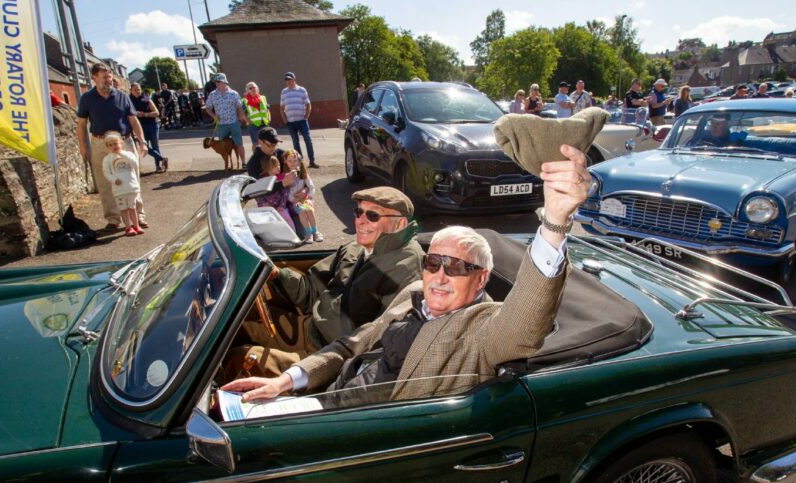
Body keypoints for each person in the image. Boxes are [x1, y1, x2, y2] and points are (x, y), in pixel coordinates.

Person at [221, 142, 590, 403]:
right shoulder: (412, 292)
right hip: (326, 393)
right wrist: (287, 381)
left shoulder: (481, 331)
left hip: (361, 433)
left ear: (481, 280)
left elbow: (525, 320)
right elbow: (351, 345)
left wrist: (556, 221)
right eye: (434, 262)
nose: (440, 275)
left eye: (458, 267)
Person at [229, 187, 425, 379]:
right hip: (311, 327)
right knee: (235, 326)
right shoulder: (355, 248)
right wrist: (277, 274)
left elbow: (376, 340)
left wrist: (324, 368)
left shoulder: (407, 267)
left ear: (399, 224)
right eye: (359, 212)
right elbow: (312, 290)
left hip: (332, 355)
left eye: (373, 215)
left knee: (238, 359)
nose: (360, 220)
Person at [76, 62, 149, 230]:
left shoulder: (122, 96)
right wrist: (83, 145)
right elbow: (81, 124)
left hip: (123, 141)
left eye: (109, 78)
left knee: (131, 179)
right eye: (104, 78)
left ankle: (139, 216)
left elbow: (133, 120)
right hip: (101, 143)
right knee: (104, 182)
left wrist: (142, 141)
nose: (108, 81)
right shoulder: (87, 98)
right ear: (94, 78)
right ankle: (113, 219)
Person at [102, 132, 143, 237]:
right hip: (119, 189)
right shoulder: (107, 159)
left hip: (131, 187)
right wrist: (114, 179)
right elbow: (106, 172)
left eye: (115, 143)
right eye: (110, 145)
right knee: (123, 209)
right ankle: (128, 227)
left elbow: (135, 164)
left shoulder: (128, 155)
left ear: (121, 143)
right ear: (107, 147)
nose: (113, 146)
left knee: (132, 208)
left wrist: (123, 154)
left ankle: (136, 225)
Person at [204, 73, 248, 168]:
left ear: (224, 82)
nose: (217, 83)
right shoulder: (213, 95)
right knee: (223, 146)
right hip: (221, 125)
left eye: (218, 81)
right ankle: (227, 165)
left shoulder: (233, 94)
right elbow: (207, 108)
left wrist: (241, 117)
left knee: (239, 143)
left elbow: (240, 106)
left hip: (234, 123)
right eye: (216, 82)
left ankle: (244, 163)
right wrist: (214, 116)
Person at [280, 71, 319, 168]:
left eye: (289, 79)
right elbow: (281, 107)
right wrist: (284, 119)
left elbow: (308, 104)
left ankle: (312, 161)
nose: (288, 81)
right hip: (291, 122)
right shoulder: (284, 92)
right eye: (286, 80)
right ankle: (300, 163)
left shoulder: (301, 90)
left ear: (294, 79)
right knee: (295, 142)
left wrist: (306, 116)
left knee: (308, 140)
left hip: (302, 121)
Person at [284, 149, 323, 243]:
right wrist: (292, 199)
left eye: (295, 160)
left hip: (305, 198)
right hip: (295, 201)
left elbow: (311, 187)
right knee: (301, 211)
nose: (292, 163)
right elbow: (286, 191)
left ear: (299, 161)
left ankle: (315, 231)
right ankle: (308, 233)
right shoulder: (286, 175)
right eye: (289, 161)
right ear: (285, 162)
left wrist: (309, 197)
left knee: (309, 209)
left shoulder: (303, 173)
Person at [129, 82, 168, 173]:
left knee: (155, 145)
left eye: (138, 89)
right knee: (143, 145)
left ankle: (158, 166)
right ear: (131, 90)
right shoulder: (128, 100)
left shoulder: (146, 98)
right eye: (135, 90)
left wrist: (145, 114)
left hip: (152, 125)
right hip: (140, 126)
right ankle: (162, 158)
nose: (137, 91)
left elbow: (157, 113)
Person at [254, 155, 296, 232]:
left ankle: (293, 235)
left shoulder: (281, 178)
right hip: (267, 208)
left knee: (286, 217)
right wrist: (264, 205)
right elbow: (259, 195)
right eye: (275, 165)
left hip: (280, 207)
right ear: (267, 168)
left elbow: (285, 192)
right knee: (268, 223)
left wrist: (281, 205)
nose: (278, 167)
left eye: (279, 165)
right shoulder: (262, 181)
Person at [242, 82, 271, 149]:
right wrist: (249, 122)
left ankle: (265, 158)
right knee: (256, 144)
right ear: (247, 90)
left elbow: (267, 109)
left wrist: (269, 118)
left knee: (267, 143)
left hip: (264, 123)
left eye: (254, 87)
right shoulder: (244, 101)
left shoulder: (263, 98)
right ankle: (256, 158)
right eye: (250, 88)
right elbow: (242, 113)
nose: (253, 89)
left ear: (257, 88)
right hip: (253, 125)